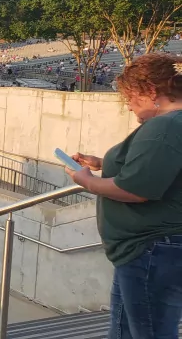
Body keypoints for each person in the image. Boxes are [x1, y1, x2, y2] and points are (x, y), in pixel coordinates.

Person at [65, 53, 182, 338]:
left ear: (151, 91)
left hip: (151, 250)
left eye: (129, 97)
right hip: (147, 250)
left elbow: (136, 189)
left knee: (149, 333)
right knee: (125, 332)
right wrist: (102, 163)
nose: (128, 106)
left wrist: (87, 182)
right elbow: (160, 168)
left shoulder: (165, 126)